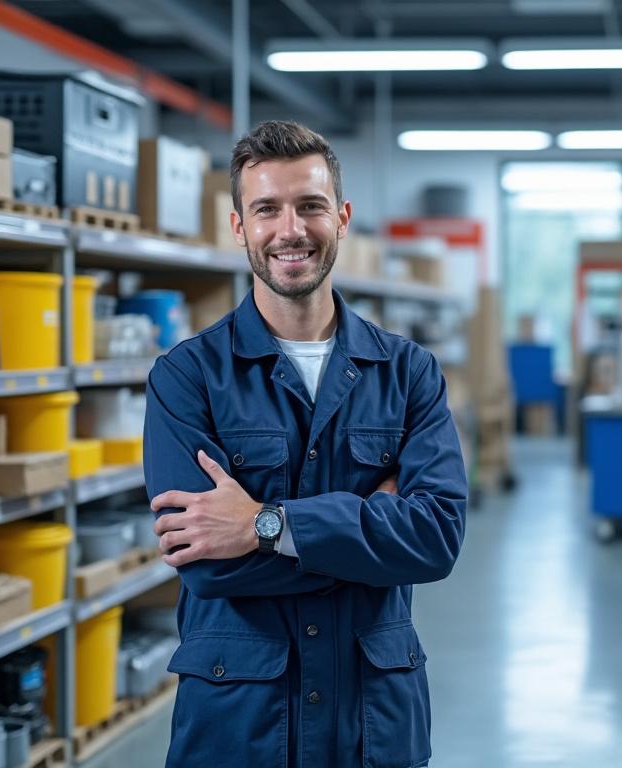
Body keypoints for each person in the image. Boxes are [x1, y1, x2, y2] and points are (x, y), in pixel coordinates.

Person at [143, 120, 468, 767]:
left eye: (310, 205)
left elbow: (436, 535)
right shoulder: (187, 376)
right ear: (239, 227)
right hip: (242, 725)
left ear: (342, 217)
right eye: (266, 208)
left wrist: (264, 523)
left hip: (371, 721)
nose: (290, 229)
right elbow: (208, 565)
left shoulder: (408, 374)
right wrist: (370, 527)